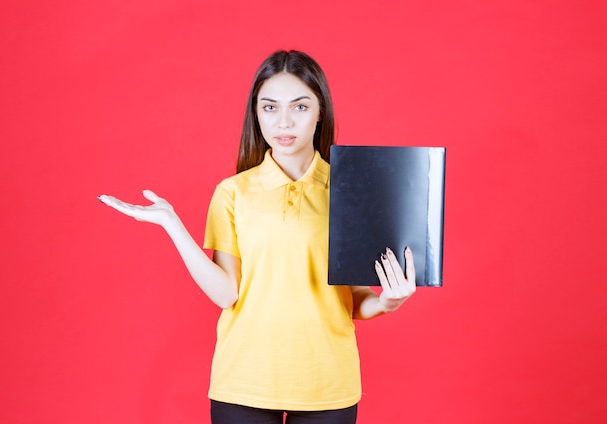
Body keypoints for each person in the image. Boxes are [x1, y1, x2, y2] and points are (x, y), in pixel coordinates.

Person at [98, 50, 416, 424]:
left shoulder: (352, 190)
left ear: (320, 113)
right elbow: (226, 293)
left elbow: (357, 298)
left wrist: (387, 302)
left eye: (299, 107)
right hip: (244, 381)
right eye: (269, 107)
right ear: (256, 114)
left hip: (327, 381)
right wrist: (173, 225)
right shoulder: (233, 193)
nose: (284, 121)